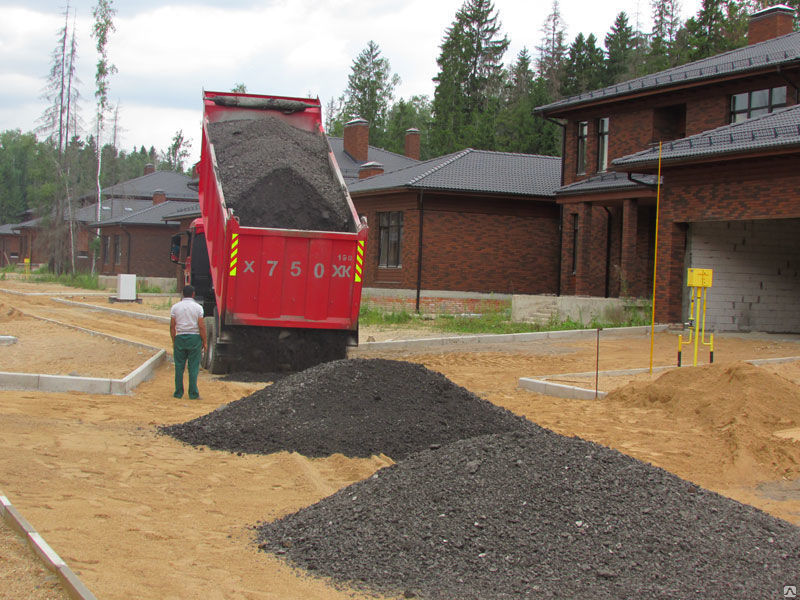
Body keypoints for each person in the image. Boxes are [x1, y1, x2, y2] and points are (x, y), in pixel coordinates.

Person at [170, 285, 207, 399]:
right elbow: (201, 326)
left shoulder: (175, 307)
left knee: (179, 367)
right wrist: (204, 341)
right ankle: (193, 394)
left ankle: (178, 393)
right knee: (193, 367)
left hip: (180, 338)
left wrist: (174, 340)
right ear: (193, 294)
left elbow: (172, 326)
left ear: (182, 294)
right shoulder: (198, 308)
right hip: (194, 339)